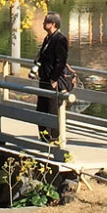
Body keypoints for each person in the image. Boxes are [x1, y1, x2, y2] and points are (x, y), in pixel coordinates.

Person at [33, 11, 72, 140]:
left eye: (45, 22)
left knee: (52, 108)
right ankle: (43, 136)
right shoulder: (47, 38)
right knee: (41, 108)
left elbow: (61, 62)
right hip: (44, 79)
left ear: (53, 24)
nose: (43, 24)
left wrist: (54, 79)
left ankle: (54, 137)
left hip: (51, 81)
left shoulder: (60, 39)